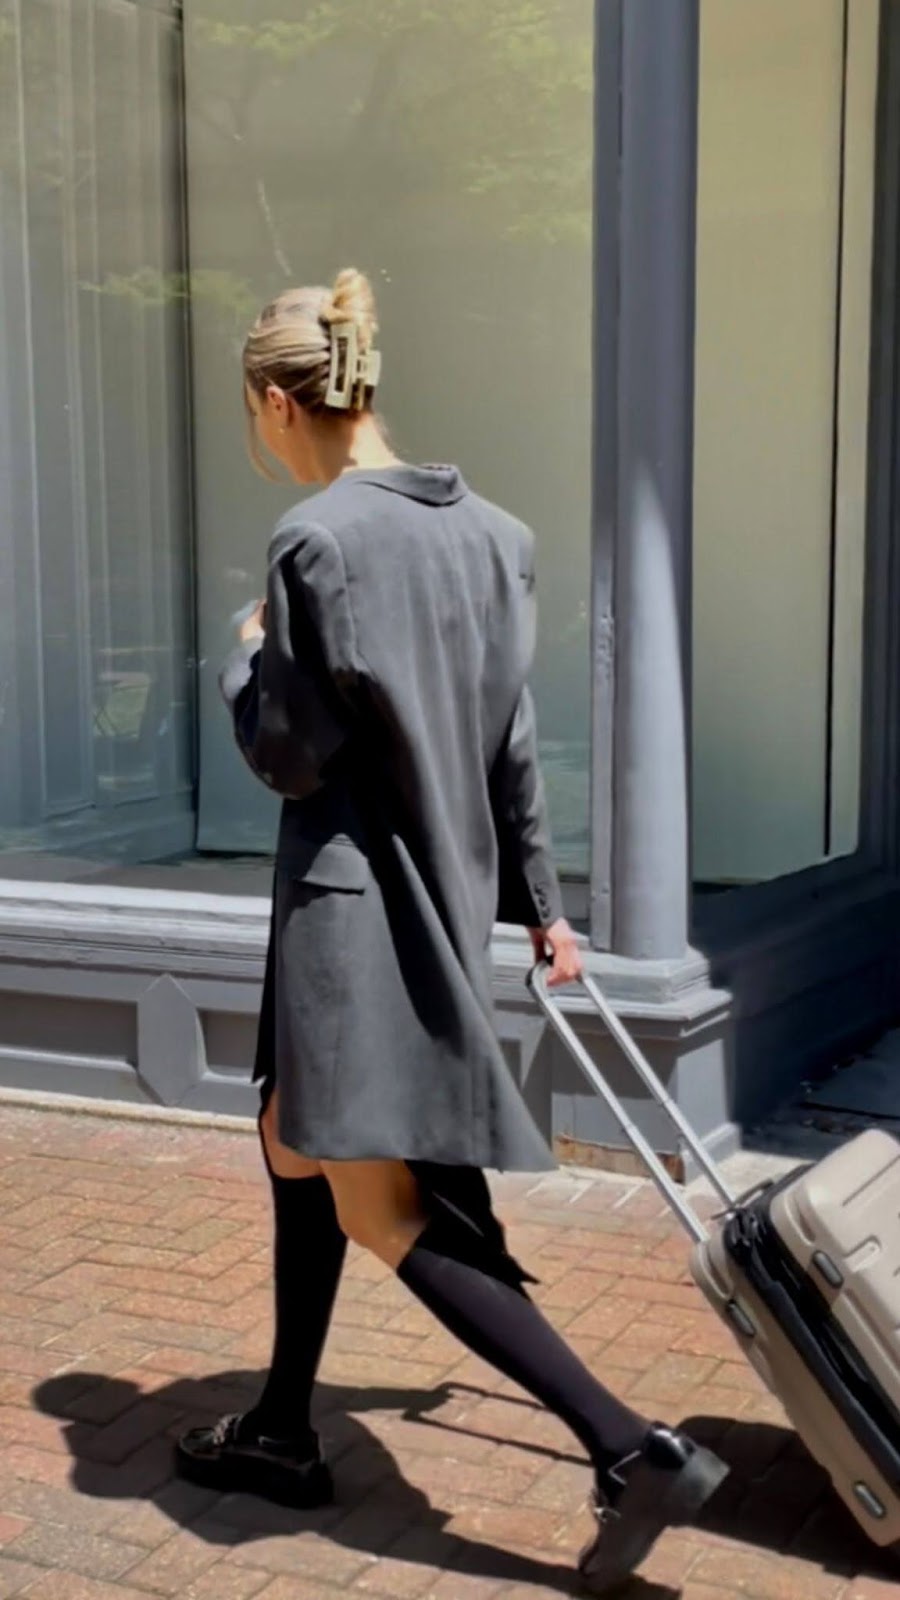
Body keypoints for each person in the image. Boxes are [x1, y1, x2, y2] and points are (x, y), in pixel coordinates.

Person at [175, 269, 727, 1591]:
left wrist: (246, 656)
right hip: (442, 900)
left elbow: (291, 754)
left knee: (381, 1205)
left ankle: (627, 1445)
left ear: (276, 400)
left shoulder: (313, 541)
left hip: (350, 920)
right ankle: (281, 1427)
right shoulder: (495, 535)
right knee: (293, 1138)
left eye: (253, 416)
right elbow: (512, 747)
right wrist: (543, 905)